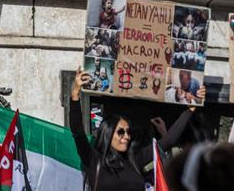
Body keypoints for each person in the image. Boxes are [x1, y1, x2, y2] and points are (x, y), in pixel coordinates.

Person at [69, 68, 200, 191]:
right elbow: (78, 132)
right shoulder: (93, 159)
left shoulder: (135, 159)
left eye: (128, 132)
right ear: (107, 133)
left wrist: (190, 109)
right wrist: (75, 95)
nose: (126, 136)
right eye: (121, 132)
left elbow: (168, 141)